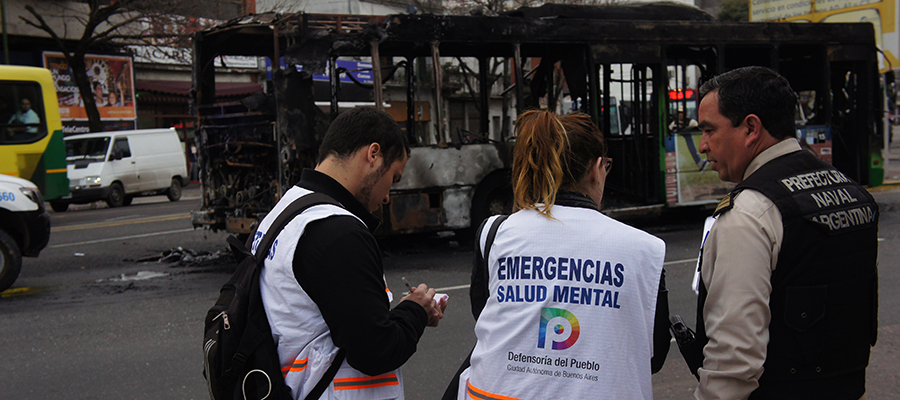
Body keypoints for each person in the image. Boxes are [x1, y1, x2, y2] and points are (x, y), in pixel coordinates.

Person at [445, 110, 669, 399]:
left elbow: (489, 320)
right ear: (596, 168)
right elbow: (654, 355)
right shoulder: (644, 249)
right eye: (606, 167)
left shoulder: (496, 232)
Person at [691, 66, 879, 400]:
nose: (703, 146)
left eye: (709, 130)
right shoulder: (853, 192)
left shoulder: (750, 213)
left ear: (751, 128)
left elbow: (733, 358)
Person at [253, 107, 447, 399]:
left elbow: (337, 320)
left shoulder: (285, 212)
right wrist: (416, 311)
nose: (385, 197)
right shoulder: (339, 232)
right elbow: (375, 351)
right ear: (373, 154)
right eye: (393, 179)